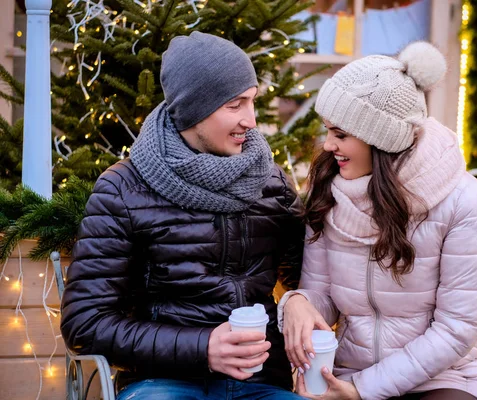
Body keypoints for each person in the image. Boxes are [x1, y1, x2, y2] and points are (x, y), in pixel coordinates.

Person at [60, 32, 305, 400]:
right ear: (194, 109)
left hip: (260, 384)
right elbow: (85, 324)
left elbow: (314, 275)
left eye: (252, 102)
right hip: (161, 383)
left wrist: (300, 298)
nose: (251, 121)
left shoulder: (270, 183)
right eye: (235, 105)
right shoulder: (123, 188)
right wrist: (202, 347)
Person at [278, 41, 477, 400]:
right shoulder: (329, 190)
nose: (328, 145)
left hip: (443, 381)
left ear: (379, 138)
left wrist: (362, 391)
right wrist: (298, 302)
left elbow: (456, 330)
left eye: (340, 134)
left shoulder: (461, 201)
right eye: (328, 131)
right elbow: (321, 296)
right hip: (346, 374)